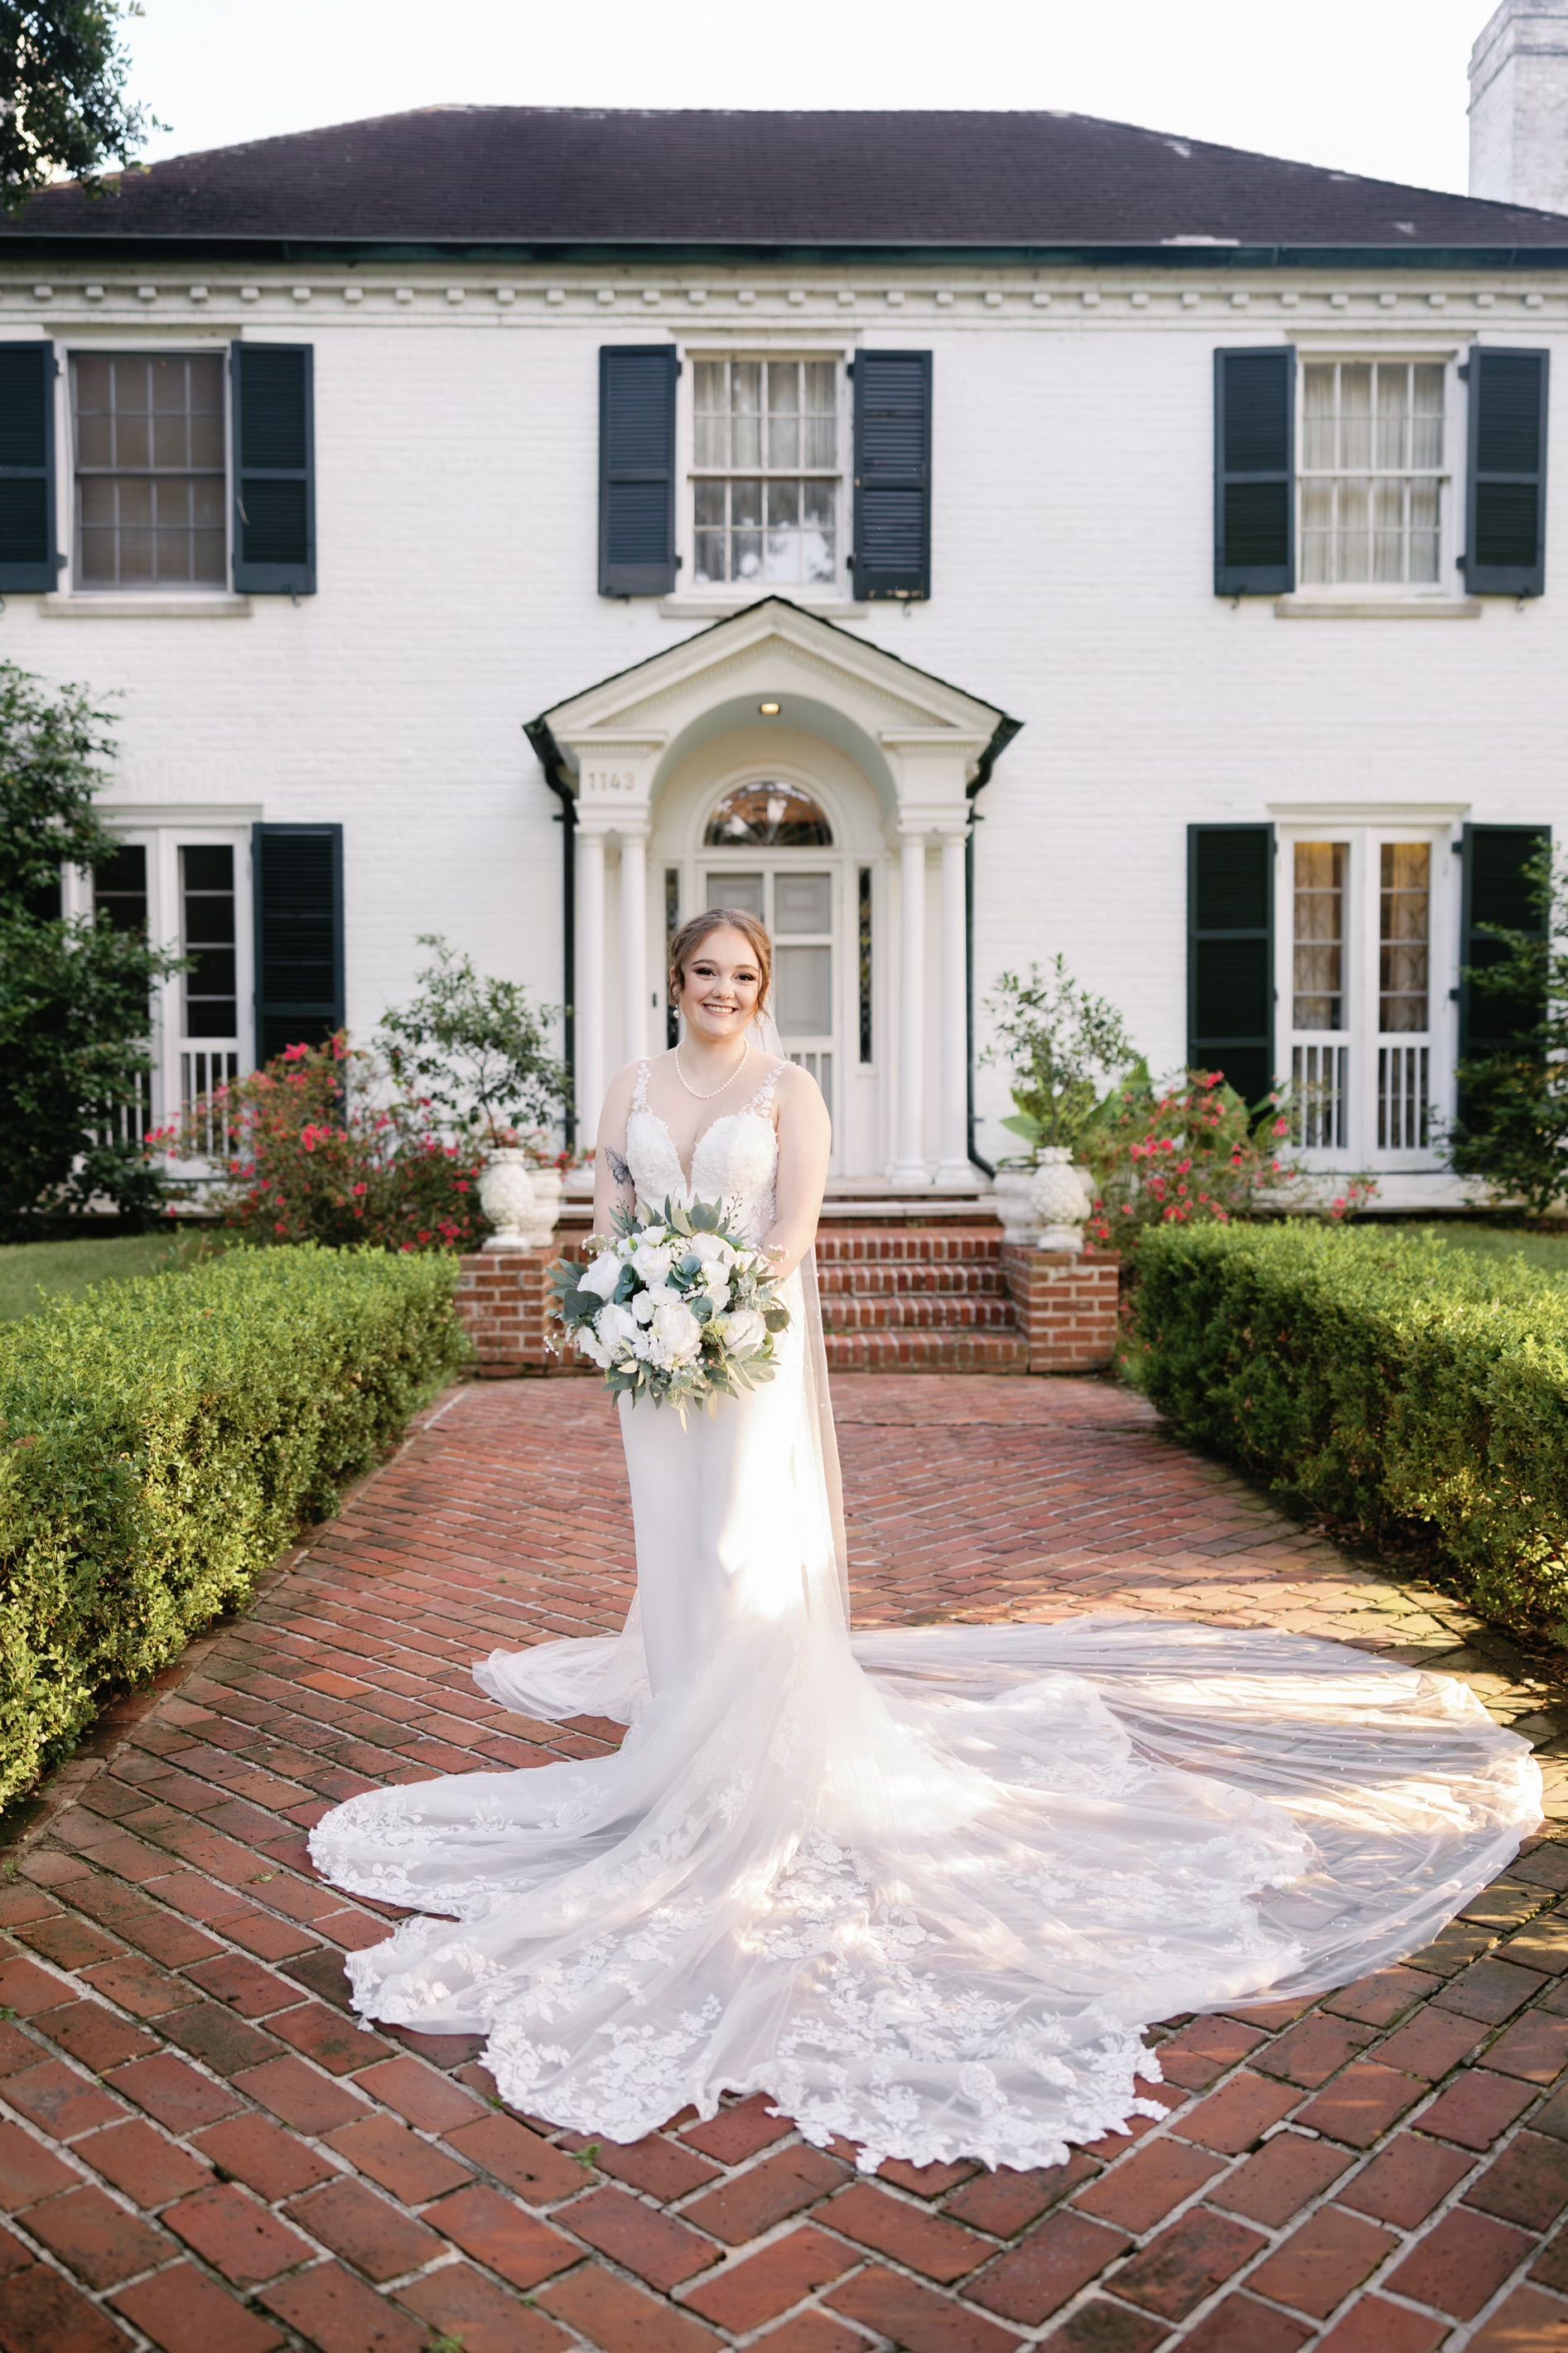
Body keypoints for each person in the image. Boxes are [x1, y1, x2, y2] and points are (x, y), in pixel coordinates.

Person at [310, 910, 1541, 2175]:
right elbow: (612, 1214)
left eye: (743, 974)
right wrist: (628, 1305)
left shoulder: (790, 1091)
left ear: (761, 987)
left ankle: (754, 1767)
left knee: (739, 1549)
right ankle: (680, 1754)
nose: (723, 988)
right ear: (674, 980)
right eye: (704, 972)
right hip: (650, 1365)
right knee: (672, 1551)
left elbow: (791, 1232)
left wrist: (711, 1307)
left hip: (742, 1348)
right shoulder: (630, 1085)